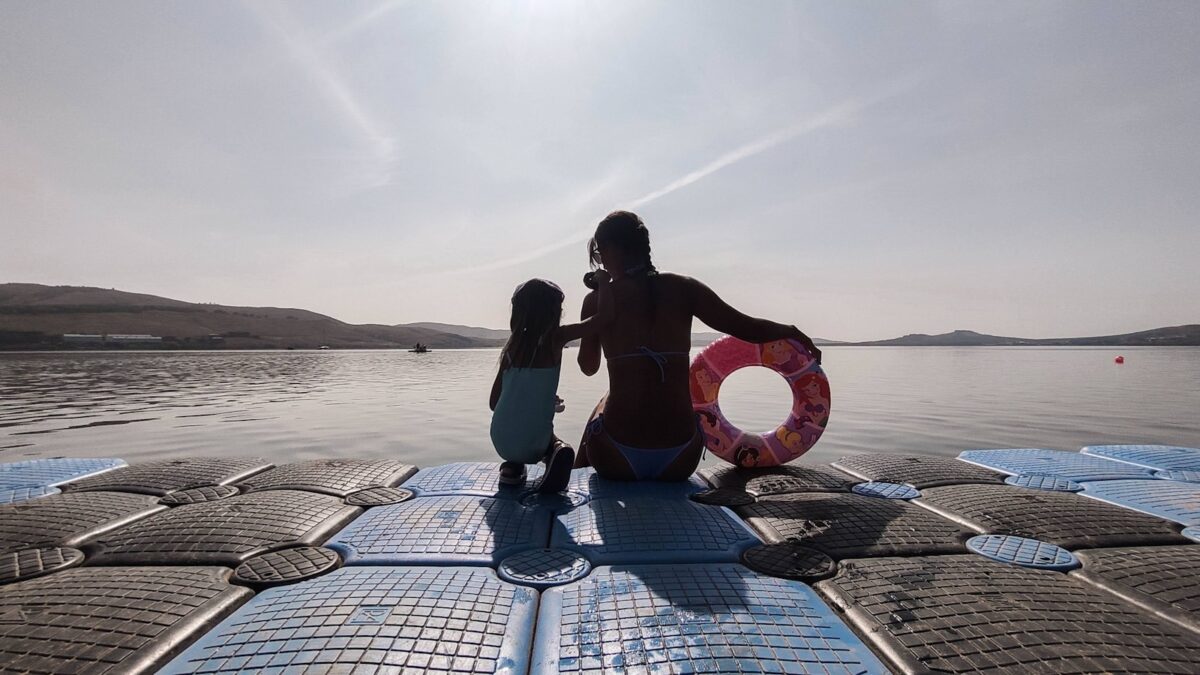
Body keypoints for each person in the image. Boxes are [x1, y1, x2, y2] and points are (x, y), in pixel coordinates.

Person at [576, 210, 821, 481]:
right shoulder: (685, 288)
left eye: (599, 254)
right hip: (679, 458)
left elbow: (588, 367)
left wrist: (599, 305)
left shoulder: (597, 301)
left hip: (615, 456)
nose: (601, 263)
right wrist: (792, 332)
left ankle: (571, 480)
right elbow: (747, 327)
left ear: (611, 249)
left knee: (602, 403)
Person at [490, 275, 613, 492]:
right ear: (554, 311)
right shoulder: (557, 337)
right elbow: (603, 319)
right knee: (550, 440)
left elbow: (494, 403)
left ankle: (511, 468)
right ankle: (555, 451)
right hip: (535, 440)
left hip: (500, 439)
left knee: (517, 433)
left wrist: (539, 399)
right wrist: (603, 282)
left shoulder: (510, 349)